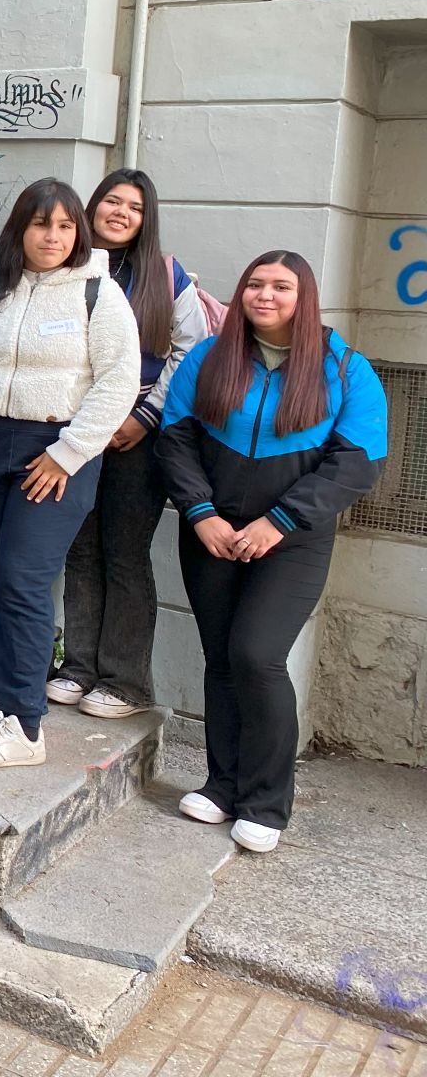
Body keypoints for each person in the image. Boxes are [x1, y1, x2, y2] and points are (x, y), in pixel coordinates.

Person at [157, 251, 386, 853]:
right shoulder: (210, 356)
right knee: (221, 658)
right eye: (255, 284)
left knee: (256, 655)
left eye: (282, 286)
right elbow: (175, 438)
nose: (265, 295)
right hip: (210, 532)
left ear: (303, 297)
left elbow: (358, 463)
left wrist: (279, 521)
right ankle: (222, 786)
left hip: (293, 540)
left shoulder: (346, 368)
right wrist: (200, 512)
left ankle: (265, 803)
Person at [0, 180, 140, 769]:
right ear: (20, 228)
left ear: (79, 233)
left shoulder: (99, 294)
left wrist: (68, 453)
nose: (52, 237)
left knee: (22, 578)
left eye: (65, 226)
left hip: (55, 452)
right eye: (41, 224)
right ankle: (6, 702)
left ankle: (24, 726)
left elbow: (118, 382)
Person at [51, 170, 209, 717]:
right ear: (92, 207)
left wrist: (145, 416)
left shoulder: (166, 275)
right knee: (79, 547)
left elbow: (190, 351)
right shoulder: (68, 263)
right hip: (74, 429)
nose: (120, 213)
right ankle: (78, 667)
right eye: (112, 201)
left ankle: (125, 681)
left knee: (123, 551)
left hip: (136, 437)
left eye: (135, 207)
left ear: (147, 219)